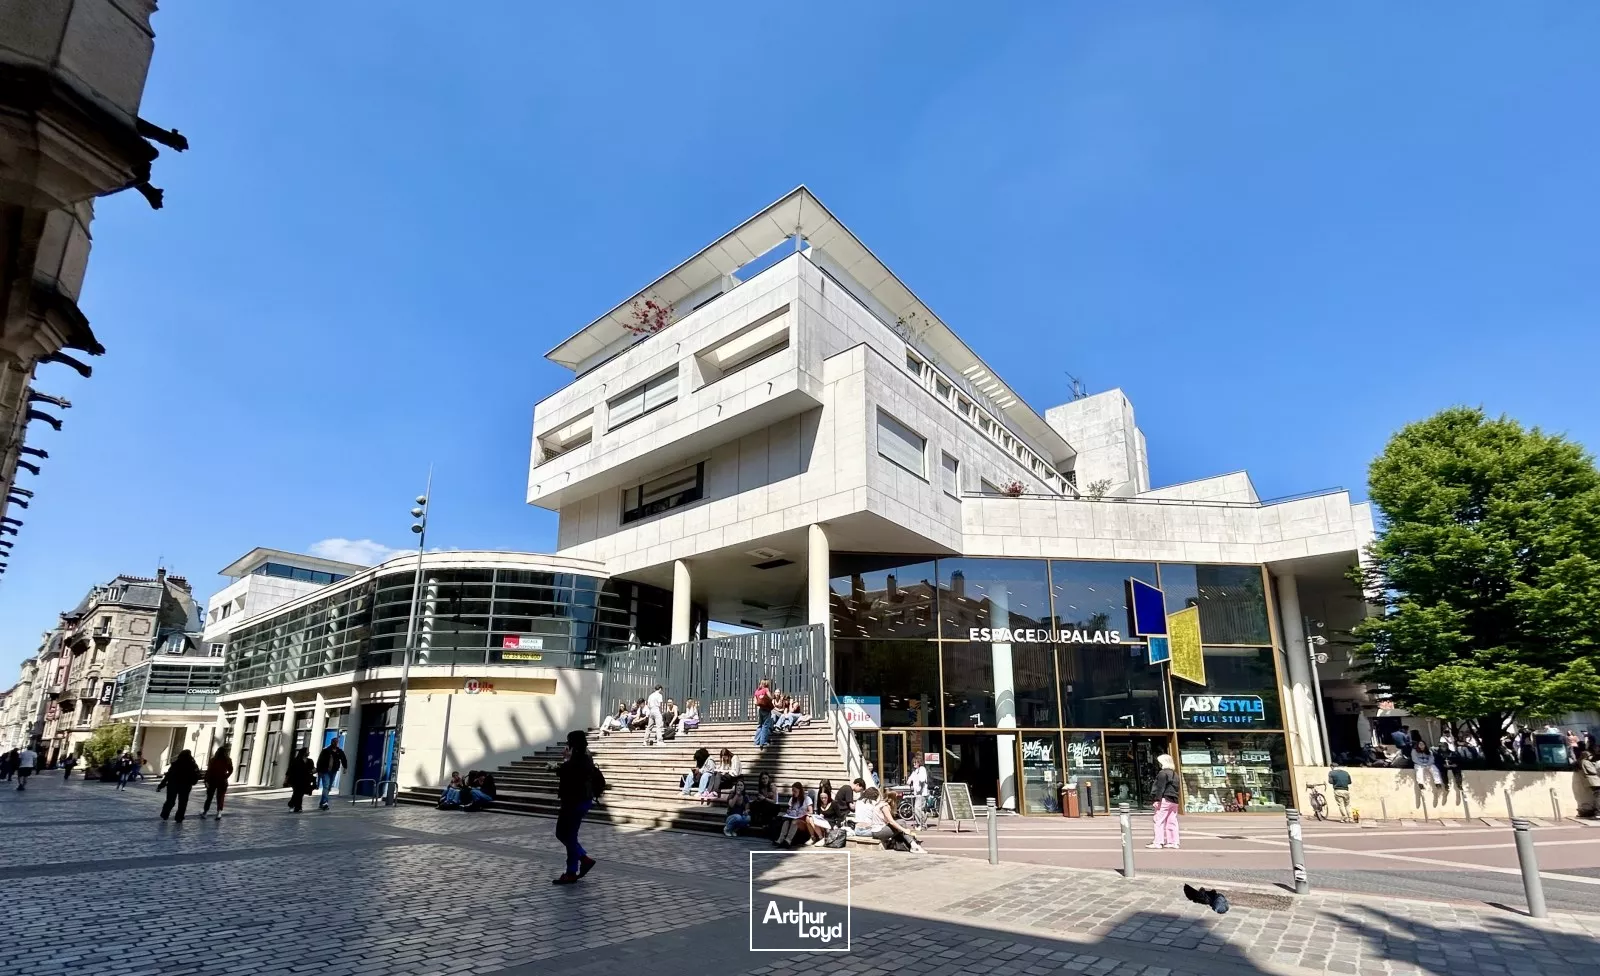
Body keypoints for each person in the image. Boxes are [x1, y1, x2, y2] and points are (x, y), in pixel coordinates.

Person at [552, 729, 603, 884]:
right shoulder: (585, 756)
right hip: (580, 800)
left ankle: (575, 868)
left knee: (566, 834)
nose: (567, 745)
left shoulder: (580, 758)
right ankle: (578, 864)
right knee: (566, 835)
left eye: (569, 742)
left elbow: (569, 775)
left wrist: (565, 760)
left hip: (575, 801)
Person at [157, 749, 201, 822]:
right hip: (186, 786)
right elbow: (196, 775)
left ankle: (165, 814)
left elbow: (168, 775)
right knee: (183, 802)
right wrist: (193, 782)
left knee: (170, 801)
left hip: (173, 784)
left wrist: (162, 784)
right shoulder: (193, 764)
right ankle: (179, 817)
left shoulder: (176, 763)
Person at [1148, 753, 1181, 850]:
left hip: (1164, 799)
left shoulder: (1162, 773)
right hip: (1174, 800)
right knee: (1172, 821)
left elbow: (1160, 788)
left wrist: (1157, 799)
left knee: (1159, 820)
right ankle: (1173, 842)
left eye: (1159, 762)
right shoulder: (1175, 774)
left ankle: (1158, 842)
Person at [775, 781, 822, 847]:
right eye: (793, 791)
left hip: (803, 821)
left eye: (795, 791)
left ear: (800, 791)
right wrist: (789, 811)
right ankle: (780, 839)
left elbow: (811, 811)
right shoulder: (792, 799)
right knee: (786, 821)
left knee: (794, 822)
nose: (794, 793)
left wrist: (803, 813)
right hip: (793, 817)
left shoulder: (807, 799)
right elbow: (789, 809)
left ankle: (788, 840)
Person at [201, 745, 233, 819]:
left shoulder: (213, 760)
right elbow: (231, 770)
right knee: (221, 797)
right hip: (222, 780)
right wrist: (226, 776)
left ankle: (205, 812)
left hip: (212, 780)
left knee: (209, 797)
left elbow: (209, 771)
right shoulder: (228, 760)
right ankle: (219, 812)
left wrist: (206, 780)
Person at [315, 740, 348, 811]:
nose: (336, 744)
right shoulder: (326, 751)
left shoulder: (339, 751)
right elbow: (320, 761)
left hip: (334, 770)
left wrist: (345, 767)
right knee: (326, 786)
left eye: (337, 742)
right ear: (332, 743)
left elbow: (343, 759)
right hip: (325, 771)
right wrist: (319, 770)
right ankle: (325, 803)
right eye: (334, 742)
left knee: (329, 787)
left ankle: (321, 803)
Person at [285, 747, 316, 813]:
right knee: (297, 793)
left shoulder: (310, 761)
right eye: (307, 751)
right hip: (296, 780)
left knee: (299, 793)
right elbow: (290, 771)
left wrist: (315, 771)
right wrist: (286, 780)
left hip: (305, 780)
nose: (308, 752)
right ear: (304, 752)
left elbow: (312, 769)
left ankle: (292, 803)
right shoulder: (296, 761)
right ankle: (298, 807)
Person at [906, 758, 932, 828]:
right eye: (913, 763)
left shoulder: (922, 769)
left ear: (919, 763)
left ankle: (922, 823)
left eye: (916, 763)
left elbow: (922, 780)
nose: (914, 764)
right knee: (918, 809)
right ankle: (921, 823)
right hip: (917, 793)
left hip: (921, 793)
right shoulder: (915, 771)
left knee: (917, 808)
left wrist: (919, 788)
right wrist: (909, 781)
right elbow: (910, 779)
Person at [752, 678, 775, 747]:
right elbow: (770, 698)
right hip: (766, 709)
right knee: (765, 726)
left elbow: (755, 702)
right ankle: (763, 742)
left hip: (760, 709)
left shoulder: (757, 691)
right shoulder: (766, 689)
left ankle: (756, 741)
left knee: (760, 725)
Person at [1580, 748, 1600, 819]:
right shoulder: (1585, 761)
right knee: (1598, 796)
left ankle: (1597, 812)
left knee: (1597, 796)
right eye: (1590, 755)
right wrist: (1596, 767)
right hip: (1594, 781)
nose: (1591, 756)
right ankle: (1598, 813)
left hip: (1594, 781)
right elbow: (1593, 771)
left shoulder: (1586, 761)